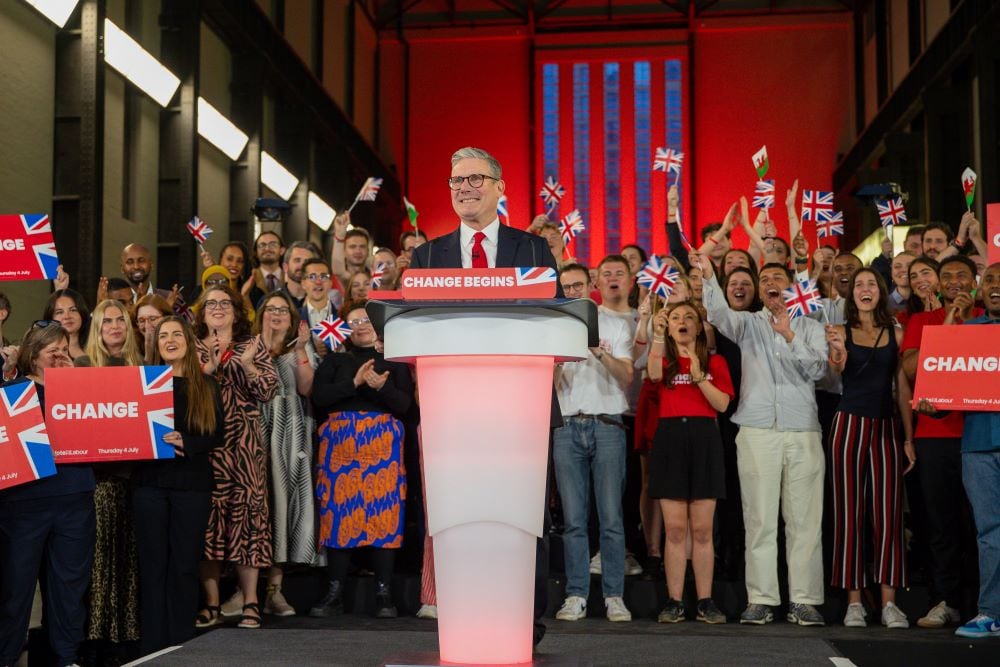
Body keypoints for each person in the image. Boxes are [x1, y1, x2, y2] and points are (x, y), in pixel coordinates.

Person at [409, 146, 557, 645]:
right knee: (461, 516)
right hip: (454, 414)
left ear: (499, 186)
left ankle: (525, 621)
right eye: (455, 181)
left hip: (521, 414)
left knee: (521, 516)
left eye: (474, 178)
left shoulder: (533, 250)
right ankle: (464, 617)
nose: (463, 188)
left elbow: (557, 321)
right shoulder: (427, 256)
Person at [696, 251, 829, 626]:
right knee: (760, 519)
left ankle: (803, 599)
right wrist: (708, 276)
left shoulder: (811, 326)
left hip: (802, 428)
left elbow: (818, 368)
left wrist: (789, 334)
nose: (771, 284)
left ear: (791, 287)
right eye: (765, 280)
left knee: (804, 521)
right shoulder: (747, 323)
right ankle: (762, 599)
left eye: (778, 279)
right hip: (756, 430)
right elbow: (718, 315)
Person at [309, 302, 414, 619]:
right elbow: (319, 398)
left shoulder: (393, 362)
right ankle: (335, 591)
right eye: (354, 320)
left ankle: (384, 593)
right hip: (340, 448)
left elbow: (407, 406)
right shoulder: (334, 361)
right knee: (338, 515)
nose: (361, 325)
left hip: (382, 447)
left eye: (367, 320)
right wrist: (352, 384)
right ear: (344, 326)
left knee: (384, 514)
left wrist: (382, 388)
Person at [0, 324, 95, 667]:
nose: (58, 355)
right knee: (15, 591)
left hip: (74, 500)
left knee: (69, 590)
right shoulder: (11, 390)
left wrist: (73, 385)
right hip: (22, 505)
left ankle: (67, 658)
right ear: (33, 353)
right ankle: (7, 657)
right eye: (50, 350)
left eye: (63, 349)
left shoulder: (83, 389)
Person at [825, 268, 915, 629]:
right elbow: (835, 375)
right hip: (848, 425)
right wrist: (835, 352)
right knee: (848, 514)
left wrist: (908, 438)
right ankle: (854, 603)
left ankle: (890, 603)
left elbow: (903, 389)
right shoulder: (839, 332)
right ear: (852, 294)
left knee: (887, 515)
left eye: (871, 285)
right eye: (859, 284)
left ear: (880, 292)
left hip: (887, 428)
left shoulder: (896, 333)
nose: (865, 289)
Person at [131, 317, 224, 655]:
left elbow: (218, 435)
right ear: (155, 345)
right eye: (163, 336)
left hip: (191, 486)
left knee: (184, 566)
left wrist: (187, 442)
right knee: (153, 567)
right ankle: (152, 646)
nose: (169, 340)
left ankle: (180, 644)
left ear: (188, 341)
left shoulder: (207, 385)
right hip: (149, 486)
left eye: (176, 335)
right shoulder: (142, 384)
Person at [900, 256, 982, 629]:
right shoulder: (922, 321)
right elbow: (912, 370)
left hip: (981, 435)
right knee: (941, 524)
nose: (953, 281)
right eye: (946, 276)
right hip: (935, 437)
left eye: (960, 275)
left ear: (974, 280)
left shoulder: (987, 318)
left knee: (983, 524)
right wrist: (949, 323)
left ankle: (986, 603)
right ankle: (944, 600)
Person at [553, 260, 635, 623]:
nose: (573, 292)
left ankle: (614, 595)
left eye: (578, 285)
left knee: (611, 518)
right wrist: (557, 357)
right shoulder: (552, 328)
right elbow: (548, 383)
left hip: (607, 424)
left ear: (591, 286)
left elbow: (626, 376)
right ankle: (576, 594)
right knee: (573, 519)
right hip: (567, 426)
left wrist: (596, 349)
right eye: (566, 287)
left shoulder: (614, 324)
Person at [194, 285, 278, 630]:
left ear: (235, 310)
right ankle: (211, 604)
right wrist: (209, 367)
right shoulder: (194, 347)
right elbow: (183, 392)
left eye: (224, 303)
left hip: (244, 447)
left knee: (248, 521)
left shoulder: (251, 346)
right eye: (210, 303)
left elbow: (269, 391)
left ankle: (251, 601)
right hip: (206, 446)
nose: (217, 308)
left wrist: (246, 366)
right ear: (201, 312)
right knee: (208, 522)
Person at [647, 302, 733, 624]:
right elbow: (654, 375)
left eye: (689, 318)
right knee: (676, 529)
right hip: (670, 438)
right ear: (668, 326)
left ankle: (706, 600)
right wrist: (657, 336)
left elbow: (722, 404)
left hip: (704, 439)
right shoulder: (665, 358)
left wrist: (699, 374)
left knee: (701, 529)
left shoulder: (717, 361)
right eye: (675, 318)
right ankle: (674, 601)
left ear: (699, 326)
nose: (682, 322)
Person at [75, 300, 143, 656]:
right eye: (107, 322)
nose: (115, 326)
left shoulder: (144, 368)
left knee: (129, 559)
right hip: (98, 480)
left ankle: (127, 633)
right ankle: (96, 635)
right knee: (99, 559)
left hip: (137, 479)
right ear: (97, 329)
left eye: (120, 320)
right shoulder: (81, 367)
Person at [255, 292, 323, 617]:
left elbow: (307, 388)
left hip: (292, 432)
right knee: (257, 509)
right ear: (261, 314)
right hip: (255, 434)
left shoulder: (301, 347)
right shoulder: (248, 347)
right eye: (271, 309)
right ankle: (246, 592)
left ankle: (274, 589)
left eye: (284, 310)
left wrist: (298, 350)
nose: (277, 315)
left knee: (284, 508)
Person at [953, 262, 1000, 638]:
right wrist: (932, 402)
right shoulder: (966, 332)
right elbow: (945, 388)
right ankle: (990, 611)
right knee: (989, 532)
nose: (996, 285)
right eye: (991, 279)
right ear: (981, 289)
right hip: (978, 445)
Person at [43, 289, 90, 361]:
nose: (67, 317)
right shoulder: (43, 352)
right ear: (50, 318)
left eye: (73, 310)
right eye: (59, 312)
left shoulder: (96, 350)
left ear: (82, 313)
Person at [132, 294, 173, 363]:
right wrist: (149, 352)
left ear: (167, 318)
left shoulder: (180, 340)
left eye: (153, 319)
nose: (147, 326)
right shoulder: (131, 347)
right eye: (141, 321)